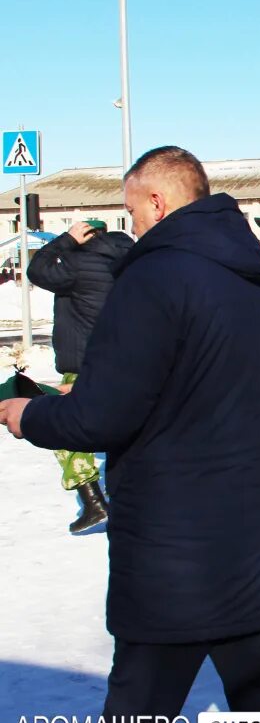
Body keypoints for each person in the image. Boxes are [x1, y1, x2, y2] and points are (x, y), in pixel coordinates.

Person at [0, 146, 260, 723]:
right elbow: (201, 387)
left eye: (132, 206)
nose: (130, 221)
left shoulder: (155, 276)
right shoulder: (258, 279)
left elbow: (102, 418)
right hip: (257, 541)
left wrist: (28, 417)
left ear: (159, 201)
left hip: (178, 557)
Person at [24, 217, 133, 532]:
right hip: (121, 361)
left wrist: (65, 240)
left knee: (61, 428)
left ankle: (93, 502)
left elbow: (36, 270)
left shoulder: (78, 262)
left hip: (84, 364)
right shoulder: (125, 259)